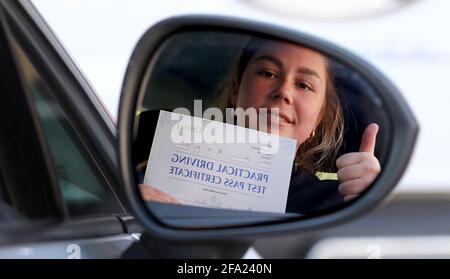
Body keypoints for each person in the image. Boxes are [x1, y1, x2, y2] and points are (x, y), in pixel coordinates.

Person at [140, 37, 381, 214]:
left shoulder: (335, 200)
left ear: (317, 120)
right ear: (235, 91)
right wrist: (131, 202)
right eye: (267, 73)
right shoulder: (147, 157)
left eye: (304, 85)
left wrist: (368, 200)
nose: (284, 91)